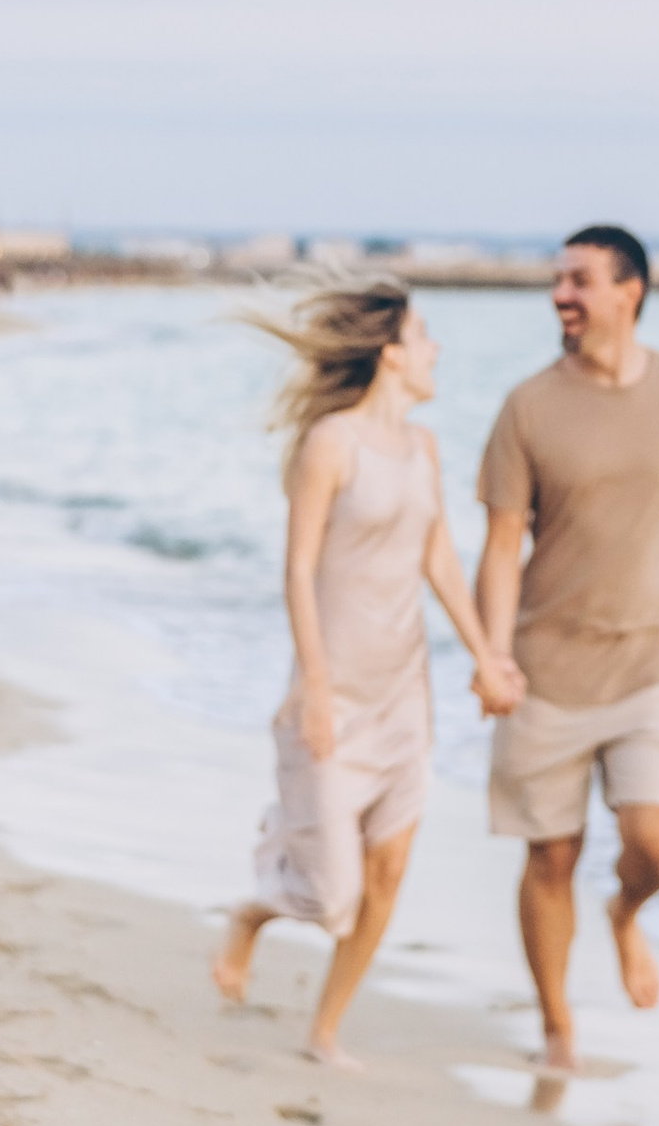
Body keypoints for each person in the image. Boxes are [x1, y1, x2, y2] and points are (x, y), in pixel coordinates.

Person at [213, 277, 519, 1064]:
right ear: (390, 354)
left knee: (387, 876)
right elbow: (297, 570)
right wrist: (315, 690)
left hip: (403, 695)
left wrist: (487, 657)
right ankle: (254, 910)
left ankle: (325, 1029)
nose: (435, 348)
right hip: (334, 692)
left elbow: (440, 561)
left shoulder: (424, 448)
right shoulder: (333, 444)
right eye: (423, 336)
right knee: (334, 896)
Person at [475, 223, 659, 1072]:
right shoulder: (528, 405)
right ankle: (558, 1028)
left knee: (656, 845)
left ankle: (626, 914)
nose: (561, 294)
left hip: (654, 663)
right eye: (558, 280)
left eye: (580, 280)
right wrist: (492, 654)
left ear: (630, 292)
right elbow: (501, 544)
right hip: (548, 670)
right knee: (552, 855)